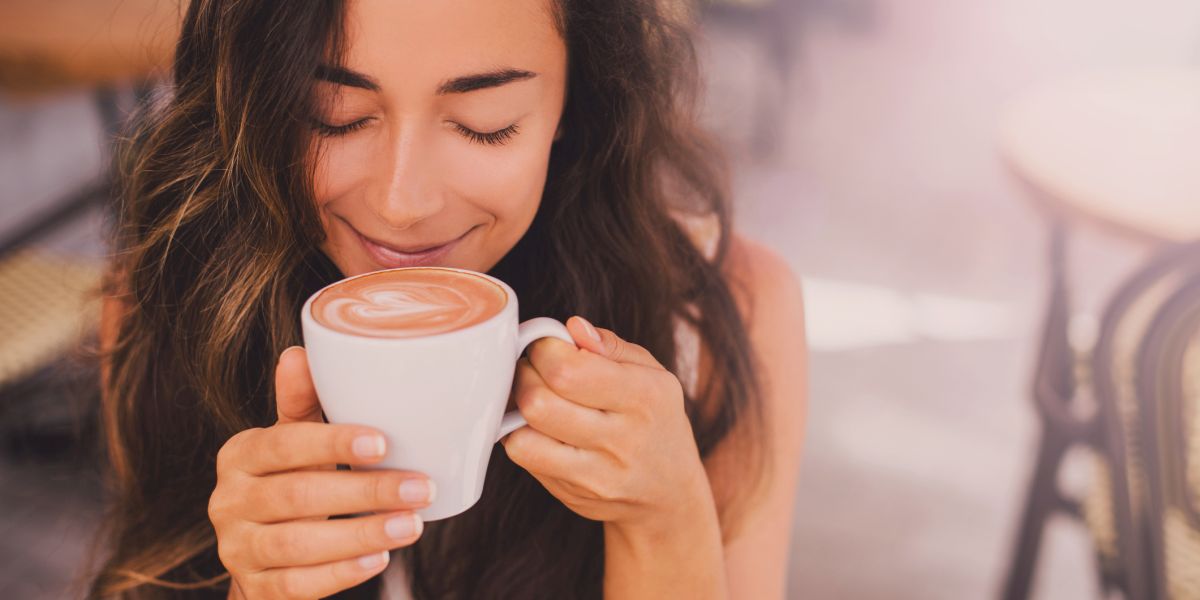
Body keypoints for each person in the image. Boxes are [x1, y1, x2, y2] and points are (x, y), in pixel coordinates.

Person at [89, 1, 807, 598]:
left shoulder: (723, 318)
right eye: (332, 114)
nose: (403, 204)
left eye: (484, 121)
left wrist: (665, 524)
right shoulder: (173, 300)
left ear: (573, 103)